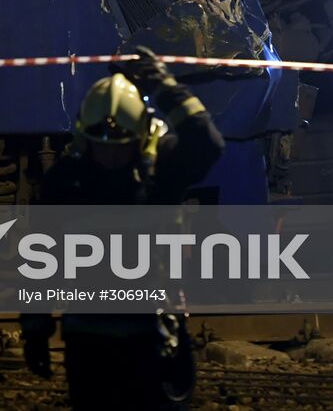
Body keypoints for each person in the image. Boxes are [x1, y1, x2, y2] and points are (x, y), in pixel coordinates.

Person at [21, 47, 225, 410]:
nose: (112, 156)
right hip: (88, 342)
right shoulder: (66, 180)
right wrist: (35, 329)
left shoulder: (163, 169)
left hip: (154, 336)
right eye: (103, 148)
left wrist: (165, 87)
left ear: (142, 136)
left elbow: (206, 142)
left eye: (121, 147)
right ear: (85, 138)